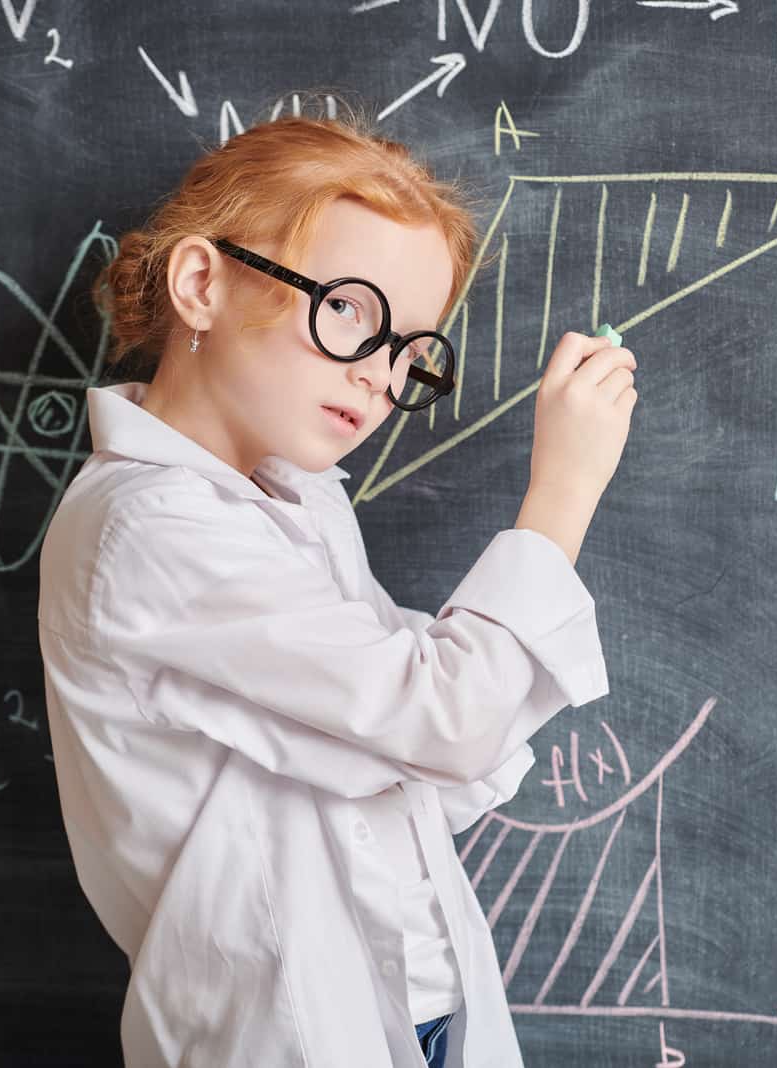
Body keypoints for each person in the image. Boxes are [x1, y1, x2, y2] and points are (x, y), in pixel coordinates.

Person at [35, 104, 637, 1068]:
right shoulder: (149, 529)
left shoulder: (300, 498)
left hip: (412, 1010)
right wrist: (563, 490)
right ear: (202, 283)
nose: (378, 378)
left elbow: (417, 741)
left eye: (408, 350)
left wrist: (437, 723)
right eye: (348, 309)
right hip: (292, 1029)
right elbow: (443, 716)